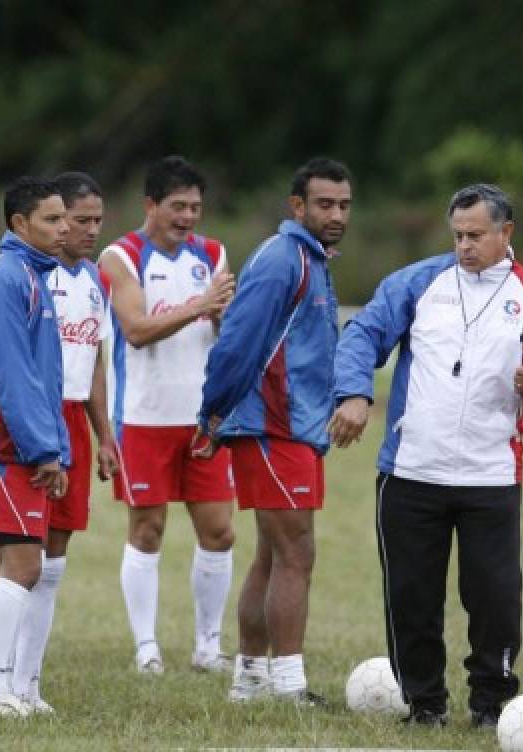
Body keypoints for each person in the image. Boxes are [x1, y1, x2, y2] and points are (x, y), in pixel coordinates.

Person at [329, 183, 523, 728]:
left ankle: (491, 705)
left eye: (476, 235)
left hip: (491, 476)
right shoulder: (419, 282)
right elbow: (362, 335)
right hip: (411, 471)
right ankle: (424, 705)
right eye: (458, 235)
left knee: (494, 599)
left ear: (505, 233)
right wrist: (353, 392)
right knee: (411, 597)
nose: (465, 246)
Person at [198, 158, 353, 706]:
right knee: (297, 553)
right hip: (271, 425)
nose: (336, 214)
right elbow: (236, 342)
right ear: (297, 207)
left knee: (272, 553)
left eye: (343, 205)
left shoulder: (312, 259)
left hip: (295, 427)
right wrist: (213, 412)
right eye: (324, 204)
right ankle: (289, 686)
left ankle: (249, 680)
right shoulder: (282, 258)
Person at [98, 155, 235, 674]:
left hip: (203, 418)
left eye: (196, 207)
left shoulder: (214, 254)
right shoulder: (122, 257)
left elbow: (226, 333)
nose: (188, 216)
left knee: (219, 531)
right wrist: (202, 306)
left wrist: (225, 317)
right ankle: (146, 647)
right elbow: (135, 328)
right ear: (150, 205)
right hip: (143, 416)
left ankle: (207, 647)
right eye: (178, 206)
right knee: (148, 529)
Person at [0, 177, 70, 716]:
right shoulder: (8, 280)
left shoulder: (32, 276)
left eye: (64, 218)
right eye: (51, 219)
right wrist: (44, 449)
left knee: (1, 562)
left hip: (11, 444)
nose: (64, 228)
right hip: (2, 446)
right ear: (19, 225)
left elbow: (42, 376)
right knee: (24, 564)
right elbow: (11, 375)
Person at [9, 171, 119, 712]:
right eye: (80, 220)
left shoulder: (96, 280)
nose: (90, 230)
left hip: (75, 420)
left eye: (98, 220)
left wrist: (104, 435)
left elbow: (94, 360)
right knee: (12, 551)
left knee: (55, 554)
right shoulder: (33, 277)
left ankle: (29, 681)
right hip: (36, 418)